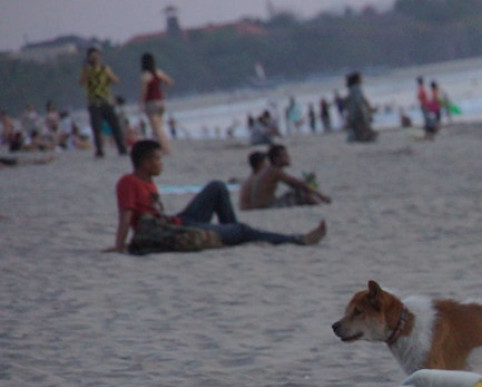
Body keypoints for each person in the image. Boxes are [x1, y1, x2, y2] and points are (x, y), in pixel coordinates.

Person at [103, 140, 325, 253]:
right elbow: (126, 217)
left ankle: (234, 234)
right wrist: (119, 246)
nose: (161, 164)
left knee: (217, 187)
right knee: (243, 230)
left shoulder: (148, 182)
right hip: (169, 230)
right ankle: (297, 239)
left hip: (177, 221)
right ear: (145, 162)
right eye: (158, 159)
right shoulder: (128, 182)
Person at [247, 144, 331, 209]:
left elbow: (295, 182)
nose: (288, 157)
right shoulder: (275, 171)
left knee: (298, 191)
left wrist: (307, 180)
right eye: (285, 155)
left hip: (261, 205)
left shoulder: (270, 170)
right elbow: (299, 184)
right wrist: (321, 196)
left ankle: (319, 205)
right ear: (276, 159)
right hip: (266, 206)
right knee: (302, 193)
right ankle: (320, 207)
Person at [79, 47, 128, 158]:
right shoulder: (86, 69)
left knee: (115, 126)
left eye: (96, 55)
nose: (95, 58)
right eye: (93, 56)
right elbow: (82, 82)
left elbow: (116, 81)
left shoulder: (105, 68)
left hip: (106, 101)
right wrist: (86, 71)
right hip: (94, 103)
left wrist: (108, 74)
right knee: (97, 128)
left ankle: (121, 148)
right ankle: (99, 149)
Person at [139, 52, 174, 154]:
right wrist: (163, 91)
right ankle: (161, 147)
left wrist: (141, 103)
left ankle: (165, 148)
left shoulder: (145, 76)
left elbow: (144, 92)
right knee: (159, 127)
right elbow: (170, 82)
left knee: (157, 129)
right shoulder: (158, 73)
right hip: (160, 102)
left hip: (151, 103)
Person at [343, 71, 377, 143]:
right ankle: (364, 137)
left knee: (358, 126)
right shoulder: (356, 89)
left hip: (354, 111)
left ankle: (361, 137)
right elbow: (358, 101)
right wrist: (362, 109)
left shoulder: (351, 89)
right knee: (361, 125)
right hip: (358, 111)